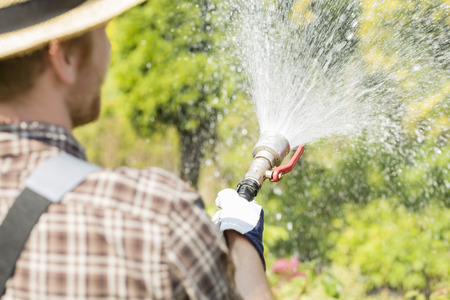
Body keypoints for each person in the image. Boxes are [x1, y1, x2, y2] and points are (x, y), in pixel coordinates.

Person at [0, 0, 273, 299]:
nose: (108, 49)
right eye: (102, 31)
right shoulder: (155, 217)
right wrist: (241, 243)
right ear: (65, 56)